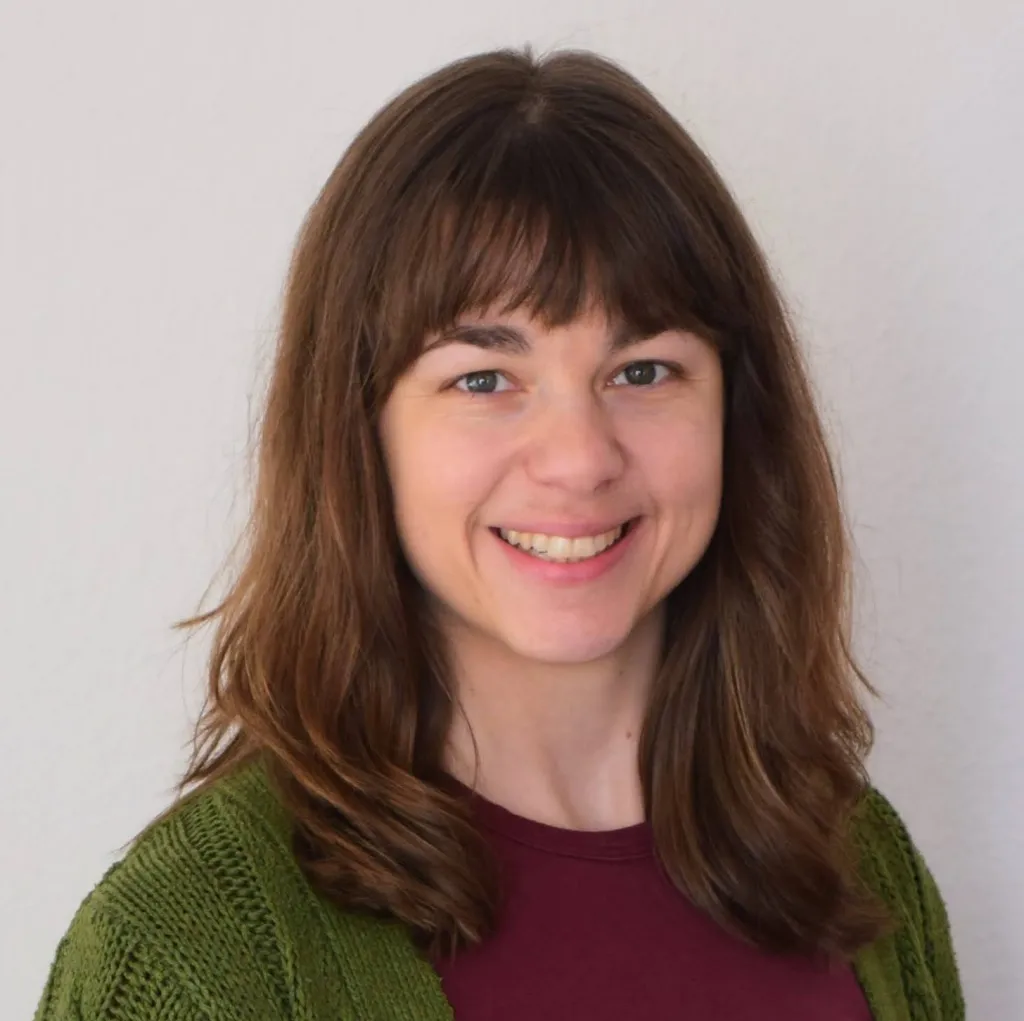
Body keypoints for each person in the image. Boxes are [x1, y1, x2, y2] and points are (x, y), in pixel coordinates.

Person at [34, 46, 964, 1021]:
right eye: (483, 379)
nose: (579, 457)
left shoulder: (857, 866)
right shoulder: (185, 951)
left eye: (643, 369)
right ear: (359, 433)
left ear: (736, 414)